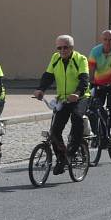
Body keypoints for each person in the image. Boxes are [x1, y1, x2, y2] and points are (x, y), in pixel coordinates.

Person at [34, 35, 90, 175]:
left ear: (72, 47)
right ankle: (61, 158)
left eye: (66, 47)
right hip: (63, 99)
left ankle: (71, 153)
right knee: (55, 130)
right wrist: (41, 89)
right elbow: (48, 76)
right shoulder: (55, 58)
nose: (62, 50)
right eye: (59, 48)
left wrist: (77, 93)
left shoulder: (80, 59)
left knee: (77, 118)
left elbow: (84, 80)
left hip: (80, 97)